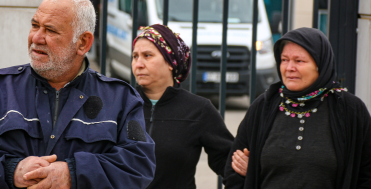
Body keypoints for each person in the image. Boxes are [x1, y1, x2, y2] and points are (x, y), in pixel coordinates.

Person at [0, 0, 155, 189]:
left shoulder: (121, 100)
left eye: (51, 30)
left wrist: (73, 174)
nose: (37, 38)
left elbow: (138, 165)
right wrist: (11, 170)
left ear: (83, 43)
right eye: (34, 25)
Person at [224, 27, 371, 189]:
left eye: (299, 61)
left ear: (320, 64)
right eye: (284, 59)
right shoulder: (263, 106)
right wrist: (252, 173)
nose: (289, 68)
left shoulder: (350, 110)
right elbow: (233, 172)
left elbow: (366, 173)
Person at [132, 24, 234, 189]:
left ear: (170, 62)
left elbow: (228, 162)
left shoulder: (198, 109)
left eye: (147, 55)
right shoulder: (122, 103)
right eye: (135, 56)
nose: (139, 64)